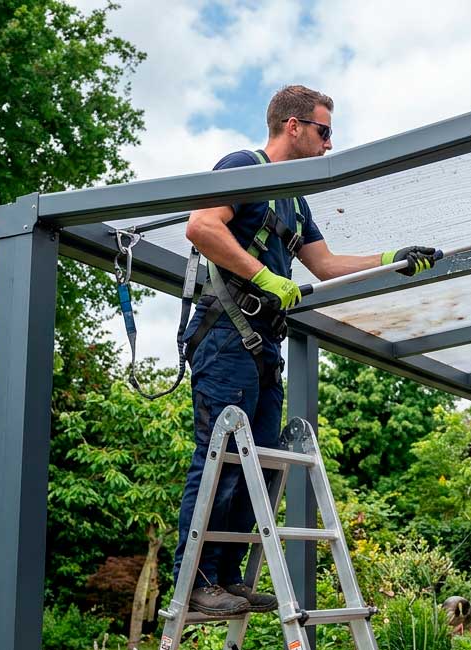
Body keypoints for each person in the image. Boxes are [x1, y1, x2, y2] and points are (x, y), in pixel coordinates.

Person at [176, 84, 440, 617]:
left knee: (260, 466)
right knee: (220, 460)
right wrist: (267, 278)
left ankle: (228, 576)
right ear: (292, 126)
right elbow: (201, 226)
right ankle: (198, 579)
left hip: (261, 345)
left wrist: (393, 258)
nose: (328, 143)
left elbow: (325, 265)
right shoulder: (243, 165)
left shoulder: (293, 201)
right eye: (324, 131)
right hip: (225, 337)